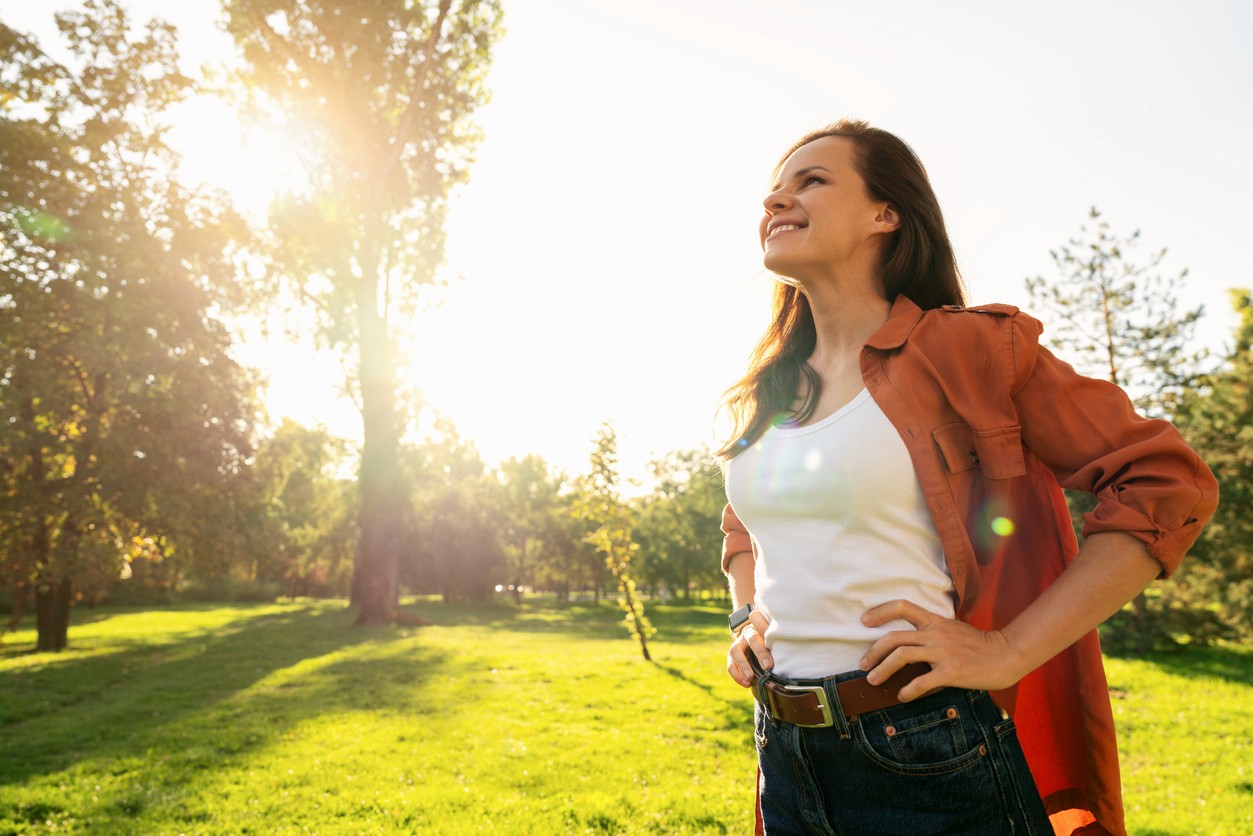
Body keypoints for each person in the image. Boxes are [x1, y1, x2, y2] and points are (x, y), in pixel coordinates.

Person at [716, 119, 1217, 836]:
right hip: (786, 753)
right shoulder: (770, 388)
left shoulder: (968, 348)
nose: (776, 202)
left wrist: (1007, 649)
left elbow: (1165, 481)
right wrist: (747, 616)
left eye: (811, 181)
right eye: (772, 192)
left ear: (884, 215)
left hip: (922, 748)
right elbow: (747, 525)